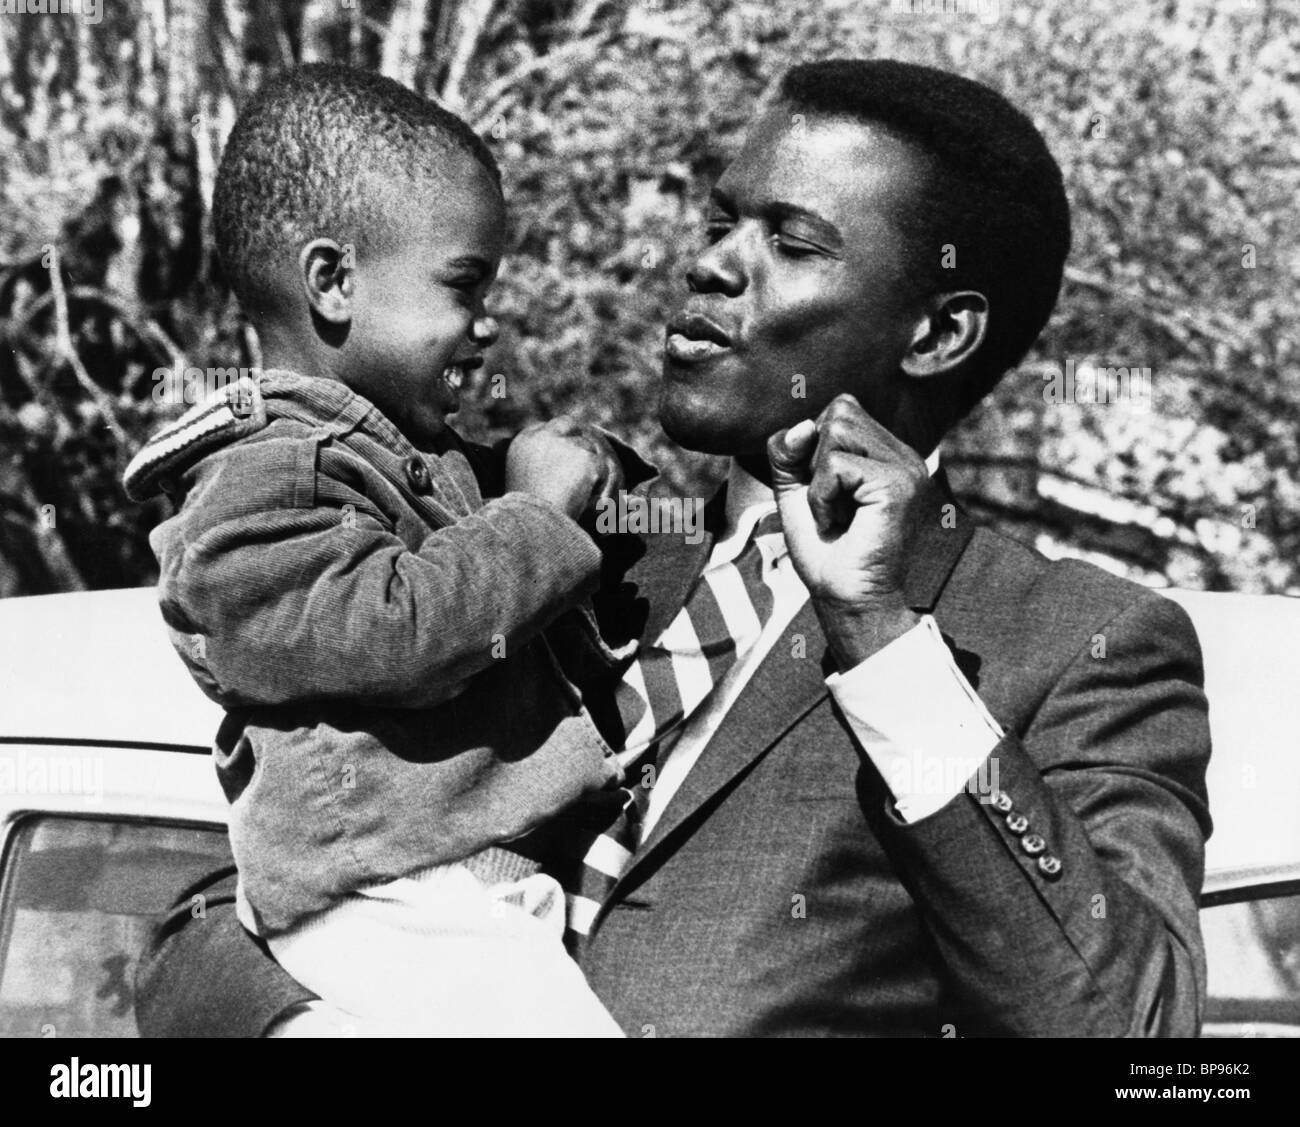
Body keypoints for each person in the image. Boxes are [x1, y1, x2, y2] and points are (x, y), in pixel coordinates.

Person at [135, 59, 1211, 1038]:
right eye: (720, 221)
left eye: (789, 243)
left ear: (935, 334)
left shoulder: (1074, 642)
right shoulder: (531, 537)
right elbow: (205, 927)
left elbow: (1131, 1031)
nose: (707, 265)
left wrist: (881, 639)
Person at [123, 63, 645, 1036]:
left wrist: (578, 483)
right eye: (464, 284)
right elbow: (397, 628)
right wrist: (536, 513)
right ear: (332, 282)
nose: (486, 325)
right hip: (393, 902)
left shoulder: (387, 455)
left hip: (445, 895)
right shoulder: (264, 477)